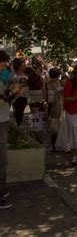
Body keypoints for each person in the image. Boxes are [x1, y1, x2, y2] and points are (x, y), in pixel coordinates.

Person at [0, 50, 12, 210]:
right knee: (1, 160)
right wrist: (8, 96)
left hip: (3, 120)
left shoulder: (2, 79)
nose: (4, 66)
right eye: (2, 62)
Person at [45, 68, 63, 152]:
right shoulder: (46, 84)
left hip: (60, 105)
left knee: (61, 125)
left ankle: (61, 144)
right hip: (51, 106)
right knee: (54, 125)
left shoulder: (60, 83)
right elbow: (44, 96)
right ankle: (54, 145)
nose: (56, 78)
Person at [10, 58, 28, 126]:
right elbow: (9, 83)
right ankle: (18, 124)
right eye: (22, 66)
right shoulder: (13, 74)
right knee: (18, 110)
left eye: (24, 66)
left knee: (22, 110)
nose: (24, 67)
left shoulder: (26, 74)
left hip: (24, 94)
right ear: (18, 67)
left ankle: (18, 123)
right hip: (17, 95)